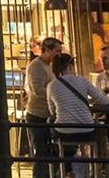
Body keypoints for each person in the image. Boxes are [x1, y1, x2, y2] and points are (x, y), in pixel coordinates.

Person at [47, 53, 109, 178]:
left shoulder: (51, 86)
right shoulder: (82, 81)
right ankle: (100, 169)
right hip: (87, 131)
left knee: (54, 129)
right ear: (71, 66)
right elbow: (102, 100)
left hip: (63, 132)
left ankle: (65, 169)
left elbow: (52, 111)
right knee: (99, 131)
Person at [25, 37, 63, 178]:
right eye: (57, 51)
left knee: (48, 151)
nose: (59, 54)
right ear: (47, 50)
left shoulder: (48, 65)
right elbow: (37, 90)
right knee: (41, 151)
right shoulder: (36, 66)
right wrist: (56, 97)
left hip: (47, 114)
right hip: (37, 115)